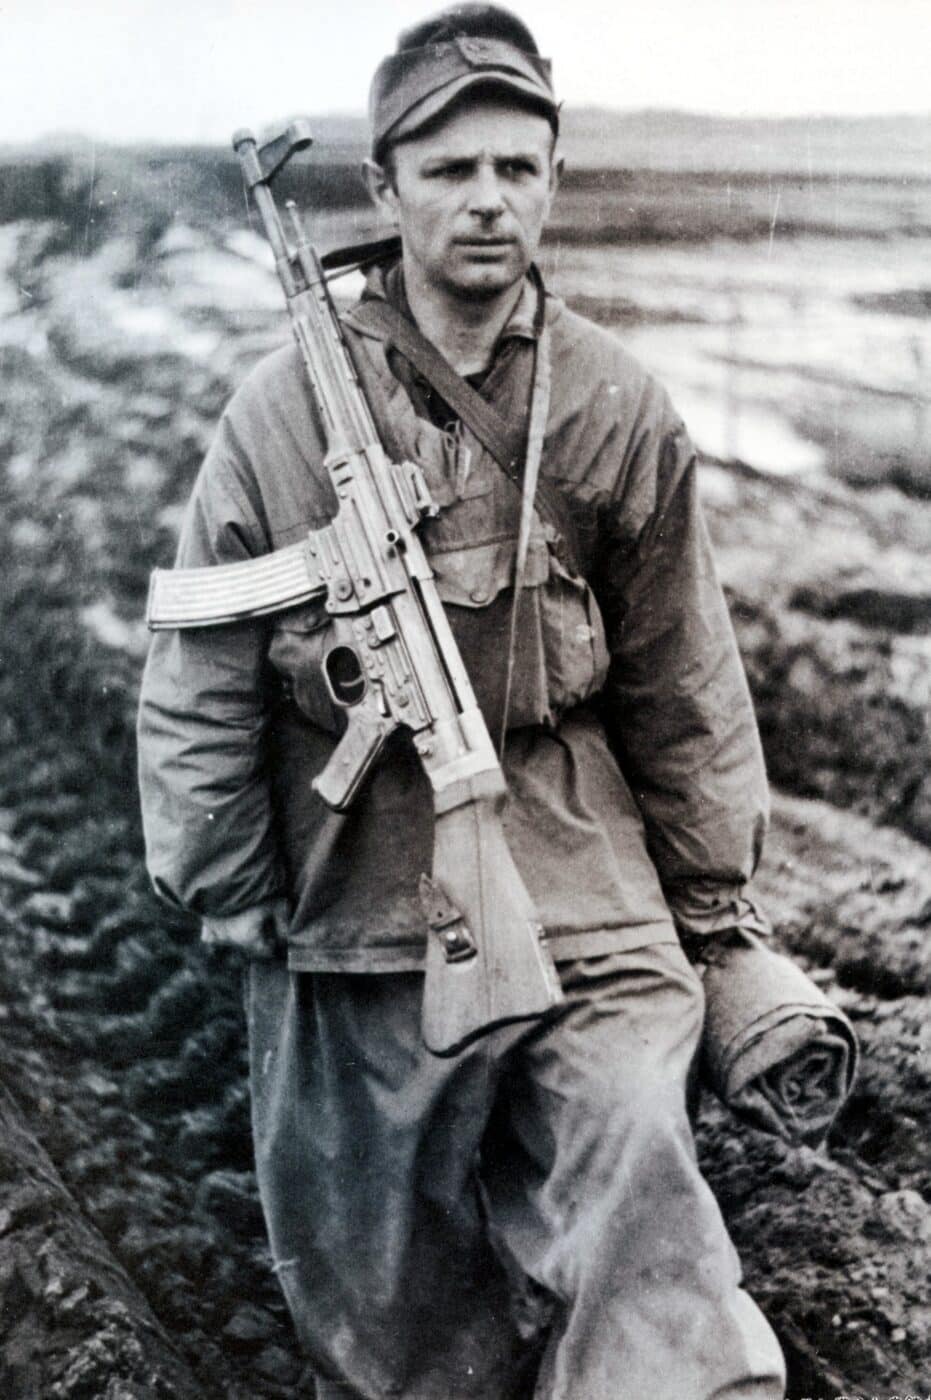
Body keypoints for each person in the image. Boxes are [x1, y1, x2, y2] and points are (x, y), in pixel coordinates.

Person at [138, 6, 788, 1397]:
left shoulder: (617, 405)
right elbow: (198, 661)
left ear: (552, 182)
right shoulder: (279, 414)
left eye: (518, 167)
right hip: (356, 880)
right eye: (449, 170)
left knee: (634, 1183)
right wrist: (226, 875)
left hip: (577, 863)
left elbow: (685, 674)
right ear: (383, 189)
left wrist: (715, 912)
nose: (489, 200)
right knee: (384, 1299)